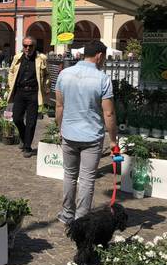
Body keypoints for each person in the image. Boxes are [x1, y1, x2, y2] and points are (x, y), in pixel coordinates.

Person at [55, 40, 118, 225]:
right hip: (92, 136)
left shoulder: (64, 74)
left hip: (69, 133)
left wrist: (61, 128)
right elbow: (109, 112)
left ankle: (67, 214)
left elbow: (59, 106)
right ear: (99, 56)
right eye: (104, 58)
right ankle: (81, 219)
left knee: (69, 175)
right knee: (87, 179)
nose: (104, 61)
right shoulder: (102, 78)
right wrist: (113, 140)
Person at [7, 36, 50, 158]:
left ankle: (27, 147)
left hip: (33, 93)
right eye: (25, 46)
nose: (28, 48)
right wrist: (11, 85)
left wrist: (46, 86)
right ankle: (23, 136)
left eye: (30, 46)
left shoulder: (41, 59)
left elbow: (47, 75)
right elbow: (11, 71)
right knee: (16, 118)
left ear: (34, 46)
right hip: (20, 92)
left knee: (31, 122)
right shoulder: (17, 58)